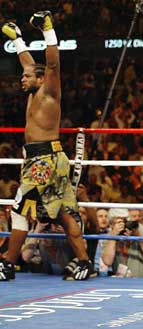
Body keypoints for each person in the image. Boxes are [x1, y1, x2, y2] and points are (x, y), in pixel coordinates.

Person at [0, 12, 95, 281]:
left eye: (27, 76)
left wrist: (48, 31)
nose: (22, 78)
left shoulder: (49, 90)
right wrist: (18, 38)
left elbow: (52, 65)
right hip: (44, 159)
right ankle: (85, 262)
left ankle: (7, 264)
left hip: (44, 161)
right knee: (64, 214)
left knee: (19, 210)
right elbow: (28, 62)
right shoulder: (33, 89)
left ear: (40, 79)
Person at [101, 208, 143, 277]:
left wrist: (138, 236)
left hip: (142, 279)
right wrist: (113, 238)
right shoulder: (110, 235)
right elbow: (107, 261)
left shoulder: (138, 229)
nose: (123, 225)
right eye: (119, 222)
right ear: (112, 224)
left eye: (125, 221)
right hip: (121, 279)